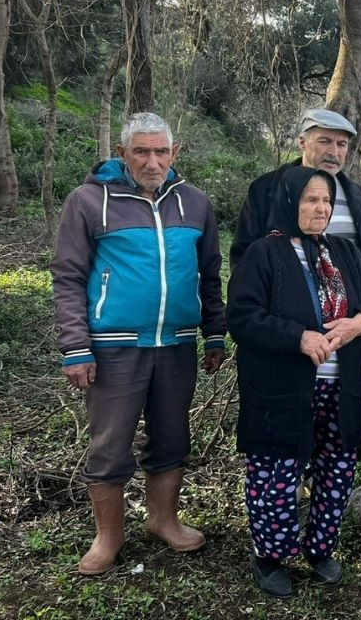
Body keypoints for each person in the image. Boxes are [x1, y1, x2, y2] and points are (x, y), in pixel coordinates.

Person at [51, 112, 227, 576]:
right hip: (113, 346)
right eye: (142, 151)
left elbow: (210, 274)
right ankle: (108, 537)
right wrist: (75, 345)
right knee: (109, 445)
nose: (153, 161)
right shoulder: (89, 201)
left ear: (175, 153)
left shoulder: (195, 203)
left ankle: (162, 521)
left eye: (161, 151)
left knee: (172, 435)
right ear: (124, 154)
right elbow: (68, 277)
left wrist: (214, 332)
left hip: (176, 345)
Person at [227, 166, 361, 598]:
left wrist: (360, 323)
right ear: (288, 203)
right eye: (310, 200)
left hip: (341, 387)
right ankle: (269, 556)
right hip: (282, 387)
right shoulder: (264, 254)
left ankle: (320, 549)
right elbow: (242, 318)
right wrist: (298, 337)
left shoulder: (345, 252)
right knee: (275, 472)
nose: (320, 208)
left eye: (326, 201)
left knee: (336, 469)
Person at [231, 108, 361, 365]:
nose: (334, 151)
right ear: (302, 142)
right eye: (325, 141)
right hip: (285, 343)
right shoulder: (267, 190)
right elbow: (243, 261)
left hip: (346, 342)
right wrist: (276, 329)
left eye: (342, 144)